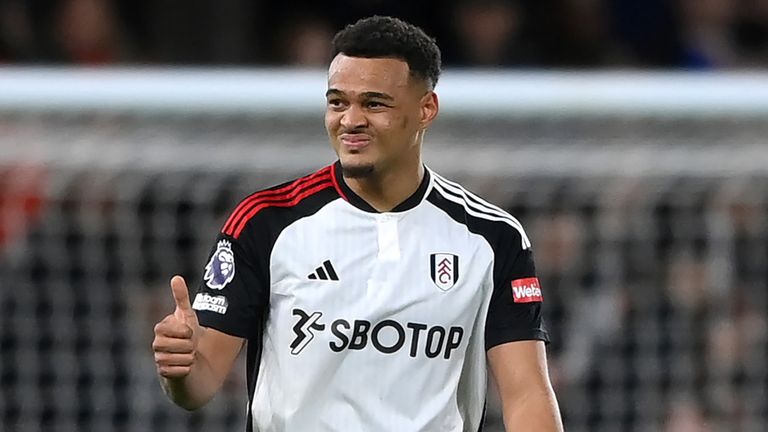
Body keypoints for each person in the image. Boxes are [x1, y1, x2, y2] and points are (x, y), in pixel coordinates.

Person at [152, 15, 563, 431]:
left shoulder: (491, 238)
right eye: (337, 102)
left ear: (426, 109)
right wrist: (181, 366)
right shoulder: (267, 221)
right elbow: (199, 385)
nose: (350, 120)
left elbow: (526, 391)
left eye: (373, 103)